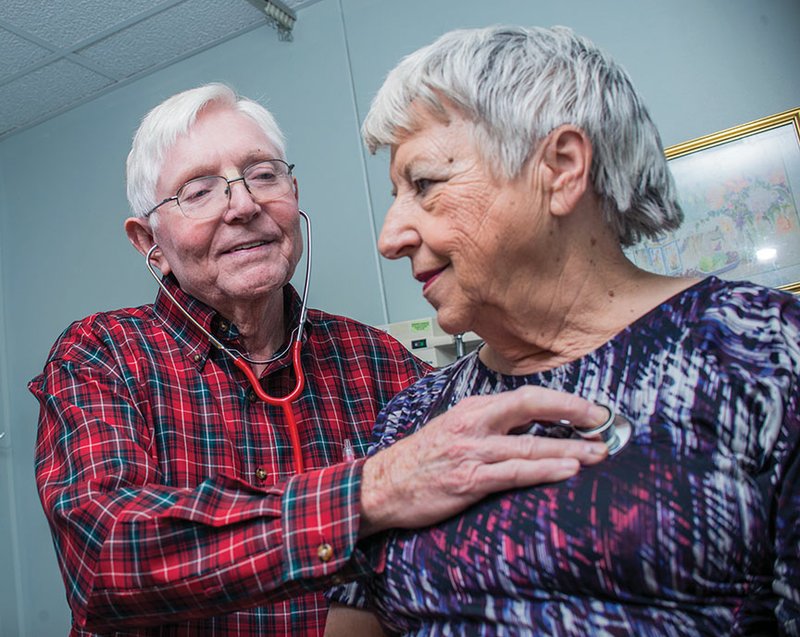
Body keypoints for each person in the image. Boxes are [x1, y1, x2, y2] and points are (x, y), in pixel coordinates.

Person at [29, 83, 612, 636]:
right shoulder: (100, 355)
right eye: (199, 190)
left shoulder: (380, 363)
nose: (244, 204)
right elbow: (105, 556)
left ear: (293, 196)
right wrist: (371, 493)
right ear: (148, 243)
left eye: (263, 174)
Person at [324, 25, 800, 636]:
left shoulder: (763, 354)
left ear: (561, 168)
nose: (390, 238)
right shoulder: (411, 419)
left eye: (425, 184)